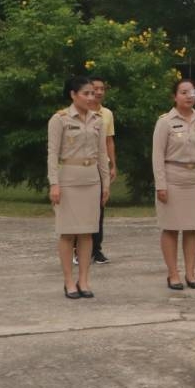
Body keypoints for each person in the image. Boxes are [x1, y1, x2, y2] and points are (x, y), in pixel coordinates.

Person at [152, 78, 195, 290]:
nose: (189, 96)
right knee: (170, 228)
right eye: (184, 92)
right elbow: (157, 156)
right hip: (172, 177)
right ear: (174, 96)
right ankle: (173, 274)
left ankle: (191, 273)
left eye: (192, 92)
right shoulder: (165, 122)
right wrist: (161, 184)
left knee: (192, 228)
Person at [49, 75, 110, 299]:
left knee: (87, 233)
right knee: (67, 233)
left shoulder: (98, 120)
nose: (91, 97)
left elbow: (102, 154)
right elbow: (52, 154)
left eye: (92, 93)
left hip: (91, 180)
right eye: (86, 93)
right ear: (73, 95)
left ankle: (83, 280)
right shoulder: (60, 119)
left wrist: (105, 184)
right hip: (68, 180)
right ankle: (69, 281)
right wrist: (54, 183)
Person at [88, 75, 116, 264]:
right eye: (95, 89)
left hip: (101, 165)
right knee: (82, 208)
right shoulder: (79, 112)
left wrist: (113, 164)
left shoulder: (107, 114)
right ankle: (78, 248)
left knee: (99, 207)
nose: (98, 92)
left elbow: (109, 140)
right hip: (83, 165)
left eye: (102, 89)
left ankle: (96, 249)